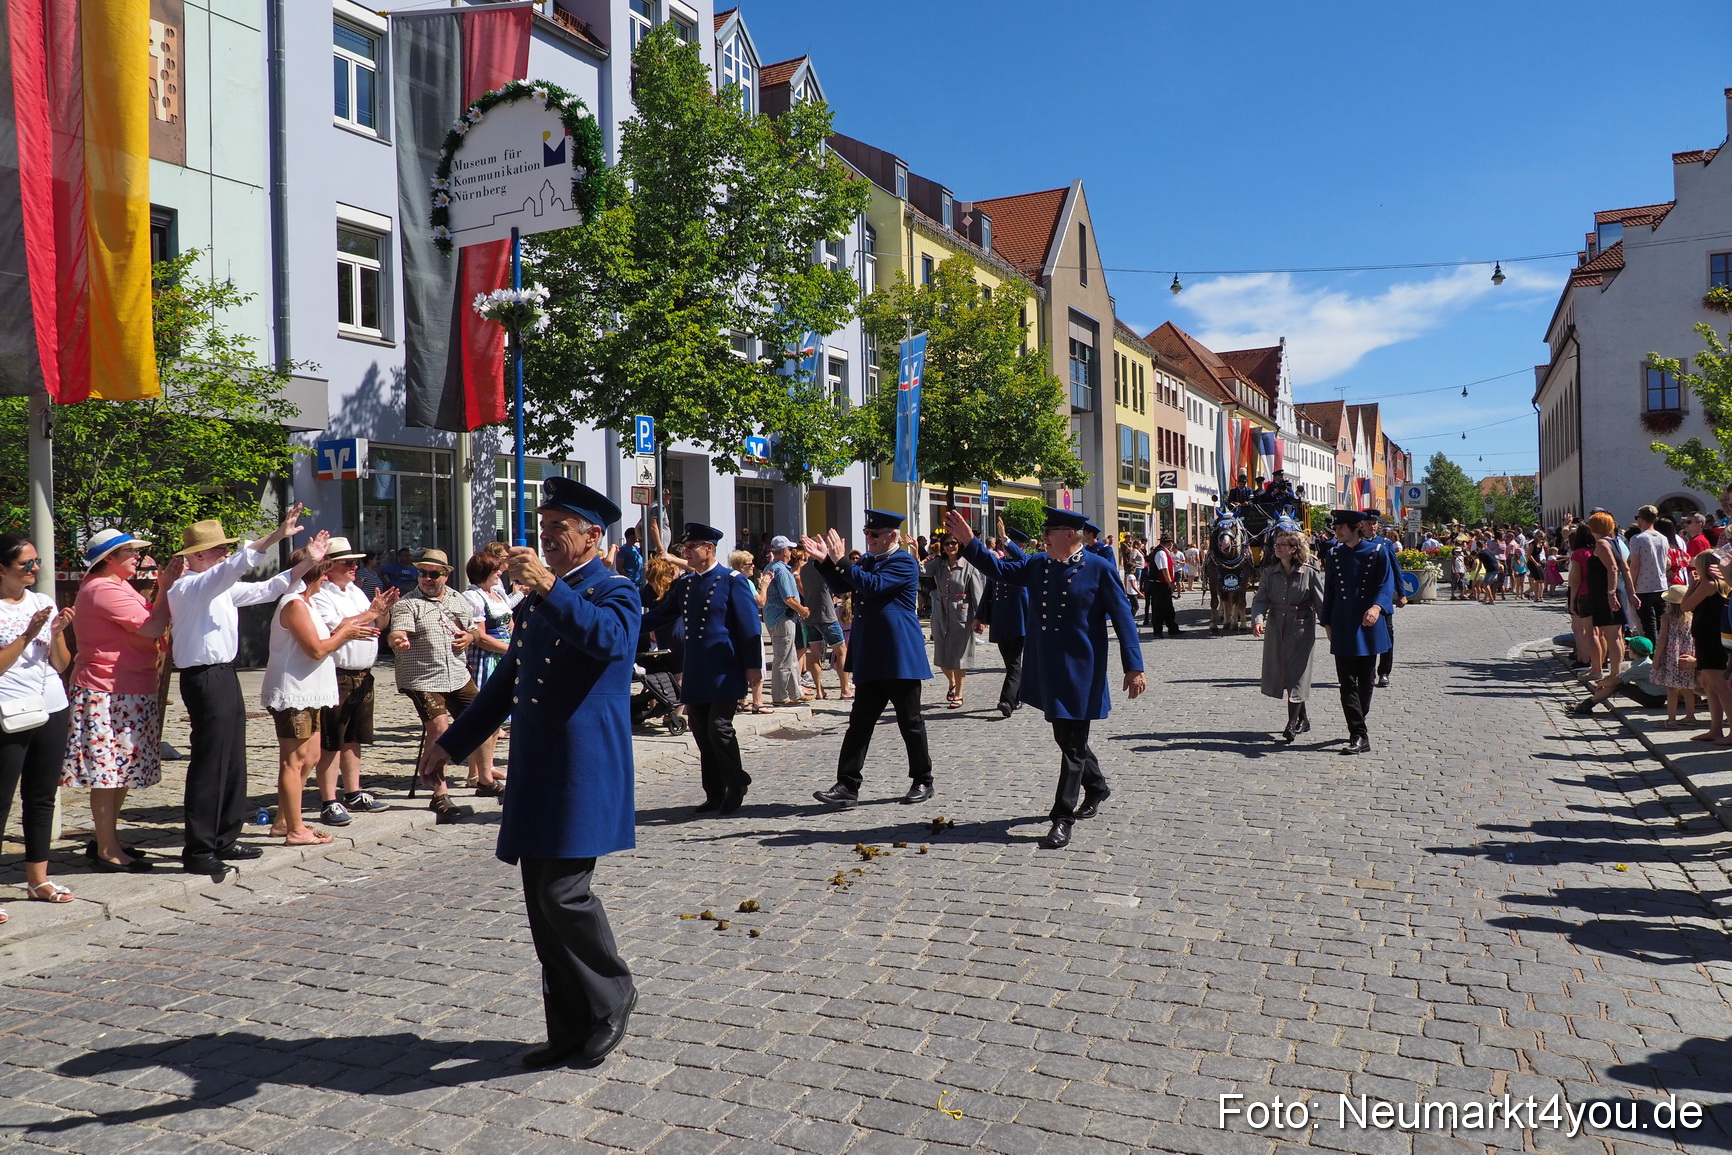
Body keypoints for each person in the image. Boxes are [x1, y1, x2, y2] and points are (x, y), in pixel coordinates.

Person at [422, 477, 639, 1069]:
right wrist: (453, 744)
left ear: (592, 537)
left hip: (584, 765)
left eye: (557, 530)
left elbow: (610, 642)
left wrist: (549, 588)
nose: (545, 539)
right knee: (540, 903)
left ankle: (612, 995)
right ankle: (570, 1026)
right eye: (542, 529)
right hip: (539, 764)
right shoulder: (542, 599)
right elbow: (509, 682)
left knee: (563, 893)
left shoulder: (612, 589)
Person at [947, 506, 1145, 850]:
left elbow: (1122, 616)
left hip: (1083, 669)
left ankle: (1062, 817)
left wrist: (1134, 665)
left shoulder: (1099, 568)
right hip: (1049, 666)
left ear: (1069, 535)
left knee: (1071, 745)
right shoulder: (1038, 564)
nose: (1043, 537)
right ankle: (1097, 786)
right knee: (1066, 739)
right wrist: (970, 543)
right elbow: (1000, 569)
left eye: (1049, 532)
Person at [168, 509, 326, 877]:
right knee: (210, 763)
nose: (224, 553)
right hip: (203, 675)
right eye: (217, 549)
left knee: (233, 759)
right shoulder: (189, 585)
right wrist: (276, 535)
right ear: (195, 556)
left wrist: (307, 565)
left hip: (223, 673)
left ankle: (224, 836)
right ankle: (200, 847)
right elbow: (235, 567)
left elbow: (268, 587)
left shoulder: (216, 586)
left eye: (225, 547)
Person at [802, 512, 934, 809]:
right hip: (871, 654)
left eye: (875, 534)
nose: (870, 539)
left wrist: (841, 560)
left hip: (899, 655)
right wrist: (825, 560)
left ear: (893, 536)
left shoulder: (903, 561)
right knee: (859, 724)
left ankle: (923, 779)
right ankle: (847, 786)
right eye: (867, 533)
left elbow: (871, 586)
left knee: (910, 722)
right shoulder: (869, 561)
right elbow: (842, 586)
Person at [62, 529, 175, 872]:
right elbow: (153, 626)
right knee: (107, 773)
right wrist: (167, 585)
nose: (136, 558)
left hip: (128, 688)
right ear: (108, 558)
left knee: (121, 770)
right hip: (107, 691)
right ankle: (107, 849)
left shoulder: (117, 585)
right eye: (130, 553)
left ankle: (106, 838)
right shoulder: (102, 588)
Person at [262, 547, 381, 846]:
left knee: (312, 756)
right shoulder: (294, 604)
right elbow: (316, 648)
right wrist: (346, 635)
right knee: (294, 761)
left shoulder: (307, 602)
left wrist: (368, 616)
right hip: (294, 693)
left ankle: (284, 821)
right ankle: (295, 829)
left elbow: (335, 631)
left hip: (313, 691)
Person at [641, 523, 762, 813]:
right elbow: (659, 616)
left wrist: (753, 666)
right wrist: (624, 623)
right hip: (696, 669)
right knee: (700, 732)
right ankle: (715, 792)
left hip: (724, 668)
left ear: (709, 549)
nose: (685, 552)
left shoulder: (731, 580)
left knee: (719, 728)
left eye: (691, 547)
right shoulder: (685, 584)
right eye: (684, 548)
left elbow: (749, 627)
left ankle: (736, 783)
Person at [0, 534, 78, 913]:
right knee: (1, 799)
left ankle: (37, 879)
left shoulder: (43, 602)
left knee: (42, 795)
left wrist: (57, 633)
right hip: (8, 710)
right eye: (25, 564)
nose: (34, 569)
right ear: (2, 569)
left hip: (50, 706)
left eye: (37, 562)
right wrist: (28, 633)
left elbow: (61, 665)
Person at [387, 548, 483, 821]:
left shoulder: (458, 600)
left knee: (486, 718)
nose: (427, 578)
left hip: (456, 673)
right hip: (422, 677)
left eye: (433, 573)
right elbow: (397, 631)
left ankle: (483, 778)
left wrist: (470, 637)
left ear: (446, 574)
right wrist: (398, 640)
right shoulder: (408, 603)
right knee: (440, 727)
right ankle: (439, 793)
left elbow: (474, 629)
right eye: (422, 573)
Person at [308, 538, 397, 826]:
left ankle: (353, 791)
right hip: (337, 674)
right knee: (332, 740)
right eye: (347, 562)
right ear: (329, 566)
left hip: (362, 673)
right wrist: (369, 615)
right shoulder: (321, 594)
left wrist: (382, 612)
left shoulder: (356, 591)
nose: (354, 566)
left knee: (354, 737)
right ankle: (328, 800)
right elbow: (337, 628)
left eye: (355, 561)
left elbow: (376, 626)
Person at [1321, 509, 1394, 755]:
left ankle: (1358, 719)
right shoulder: (1333, 554)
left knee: (1366, 680)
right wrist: (1327, 622)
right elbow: (1329, 590)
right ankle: (1359, 735)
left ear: (1357, 527)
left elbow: (1386, 584)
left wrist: (1377, 607)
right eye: (1336, 527)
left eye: (1342, 527)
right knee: (1346, 682)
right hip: (1342, 623)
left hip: (1368, 622)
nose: (1337, 531)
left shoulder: (1378, 551)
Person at [1250, 529, 1324, 743]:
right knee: (1284, 673)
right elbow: (1261, 600)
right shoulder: (1269, 573)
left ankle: (1291, 724)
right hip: (1276, 627)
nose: (1278, 547)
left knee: (1298, 674)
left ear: (1293, 549)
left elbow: (1320, 602)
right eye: (1276, 544)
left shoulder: (1309, 572)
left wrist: (1329, 626)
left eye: (1283, 544)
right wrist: (1257, 620)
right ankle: (1304, 719)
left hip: (1301, 627)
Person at [459, 550, 521, 795]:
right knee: (485, 716)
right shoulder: (473, 597)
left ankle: (488, 765)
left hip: (503, 655)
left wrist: (518, 644)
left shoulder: (495, 594)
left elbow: (510, 622)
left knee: (496, 721)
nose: (499, 572)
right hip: (487, 658)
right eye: (495, 569)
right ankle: (475, 772)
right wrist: (510, 649)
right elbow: (481, 637)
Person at [925, 535, 984, 709]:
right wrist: (914, 549)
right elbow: (920, 570)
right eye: (946, 543)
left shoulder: (969, 565)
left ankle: (959, 693)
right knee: (941, 655)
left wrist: (979, 617)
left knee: (959, 656)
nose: (950, 546)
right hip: (941, 612)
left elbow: (977, 593)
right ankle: (951, 682)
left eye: (953, 543)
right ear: (942, 546)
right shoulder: (938, 564)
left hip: (962, 613)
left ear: (959, 545)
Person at [985, 522, 1031, 718]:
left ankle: (1007, 700)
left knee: (1014, 663)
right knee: (1011, 664)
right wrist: (980, 618)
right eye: (1005, 545)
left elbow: (1024, 559)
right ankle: (1019, 695)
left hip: (1020, 623)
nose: (1007, 548)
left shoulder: (1027, 565)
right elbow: (988, 595)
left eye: (1015, 545)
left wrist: (1005, 538)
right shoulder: (1000, 566)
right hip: (1001, 623)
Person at [1358, 510, 1403, 688]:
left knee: (1387, 635)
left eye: (1374, 523)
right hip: (1362, 597)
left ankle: (1384, 672)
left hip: (1383, 598)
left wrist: (1402, 593)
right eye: (1369, 523)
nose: (1372, 525)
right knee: (1363, 634)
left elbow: (1395, 568)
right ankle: (1364, 672)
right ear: (1362, 524)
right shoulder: (1357, 544)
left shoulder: (1384, 543)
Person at [800, 541, 848, 700]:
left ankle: (820, 690)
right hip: (827, 614)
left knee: (814, 653)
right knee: (841, 651)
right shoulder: (826, 566)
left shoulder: (804, 568)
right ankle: (845, 689)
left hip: (810, 614)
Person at [761, 536, 806, 707]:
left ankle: (795, 692)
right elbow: (788, 598)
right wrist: (802, 610)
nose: (792, 552)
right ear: (785, 550)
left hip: (777, 618)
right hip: (783, 618)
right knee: (783, 658)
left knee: (791, 656)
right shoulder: (780, 570)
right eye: (790, 548)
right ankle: (780, 697)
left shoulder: (771, 567)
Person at [727, 549, 769, 714]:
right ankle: (758, 702)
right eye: (749, 564)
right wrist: (764, 586)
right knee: (757, 664)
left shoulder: (731, 580)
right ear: (740, 566)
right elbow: (761, 602)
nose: (753, 566)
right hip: (750, 629)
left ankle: (742, 700)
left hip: (737, 630)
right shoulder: (745, 582)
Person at [1651, 584, 1698, 727]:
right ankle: (1690, 716)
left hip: (1671, 657)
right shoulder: (1691, 617)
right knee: (1687, 688)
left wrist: (1656, 659)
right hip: (1687, 655)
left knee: (1671, 689)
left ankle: (1671, 719)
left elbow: (1663, 639)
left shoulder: (1666, 618)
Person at [1628, 505, 1669, 645]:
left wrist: (1631, 586)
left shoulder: (1637, 538)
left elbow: (1634, 565)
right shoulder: (1663, 538)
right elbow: (1668, 562)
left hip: (1643, 587)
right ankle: (1662, 658)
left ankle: (1652, 659)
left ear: (1640, 519)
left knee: (1649, 627)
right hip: (1661, 585)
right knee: (1661, 625)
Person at [1147, 535, 1181, 637]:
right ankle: (1157, 631)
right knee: (1159, 608)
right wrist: (1170, 582)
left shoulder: (1163, 551)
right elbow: (1164, 569)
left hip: (1162, 583)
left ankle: (1172, 628)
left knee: (1168, 608)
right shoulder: (1161, 552)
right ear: (1169, 543)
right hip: (1159, 584)